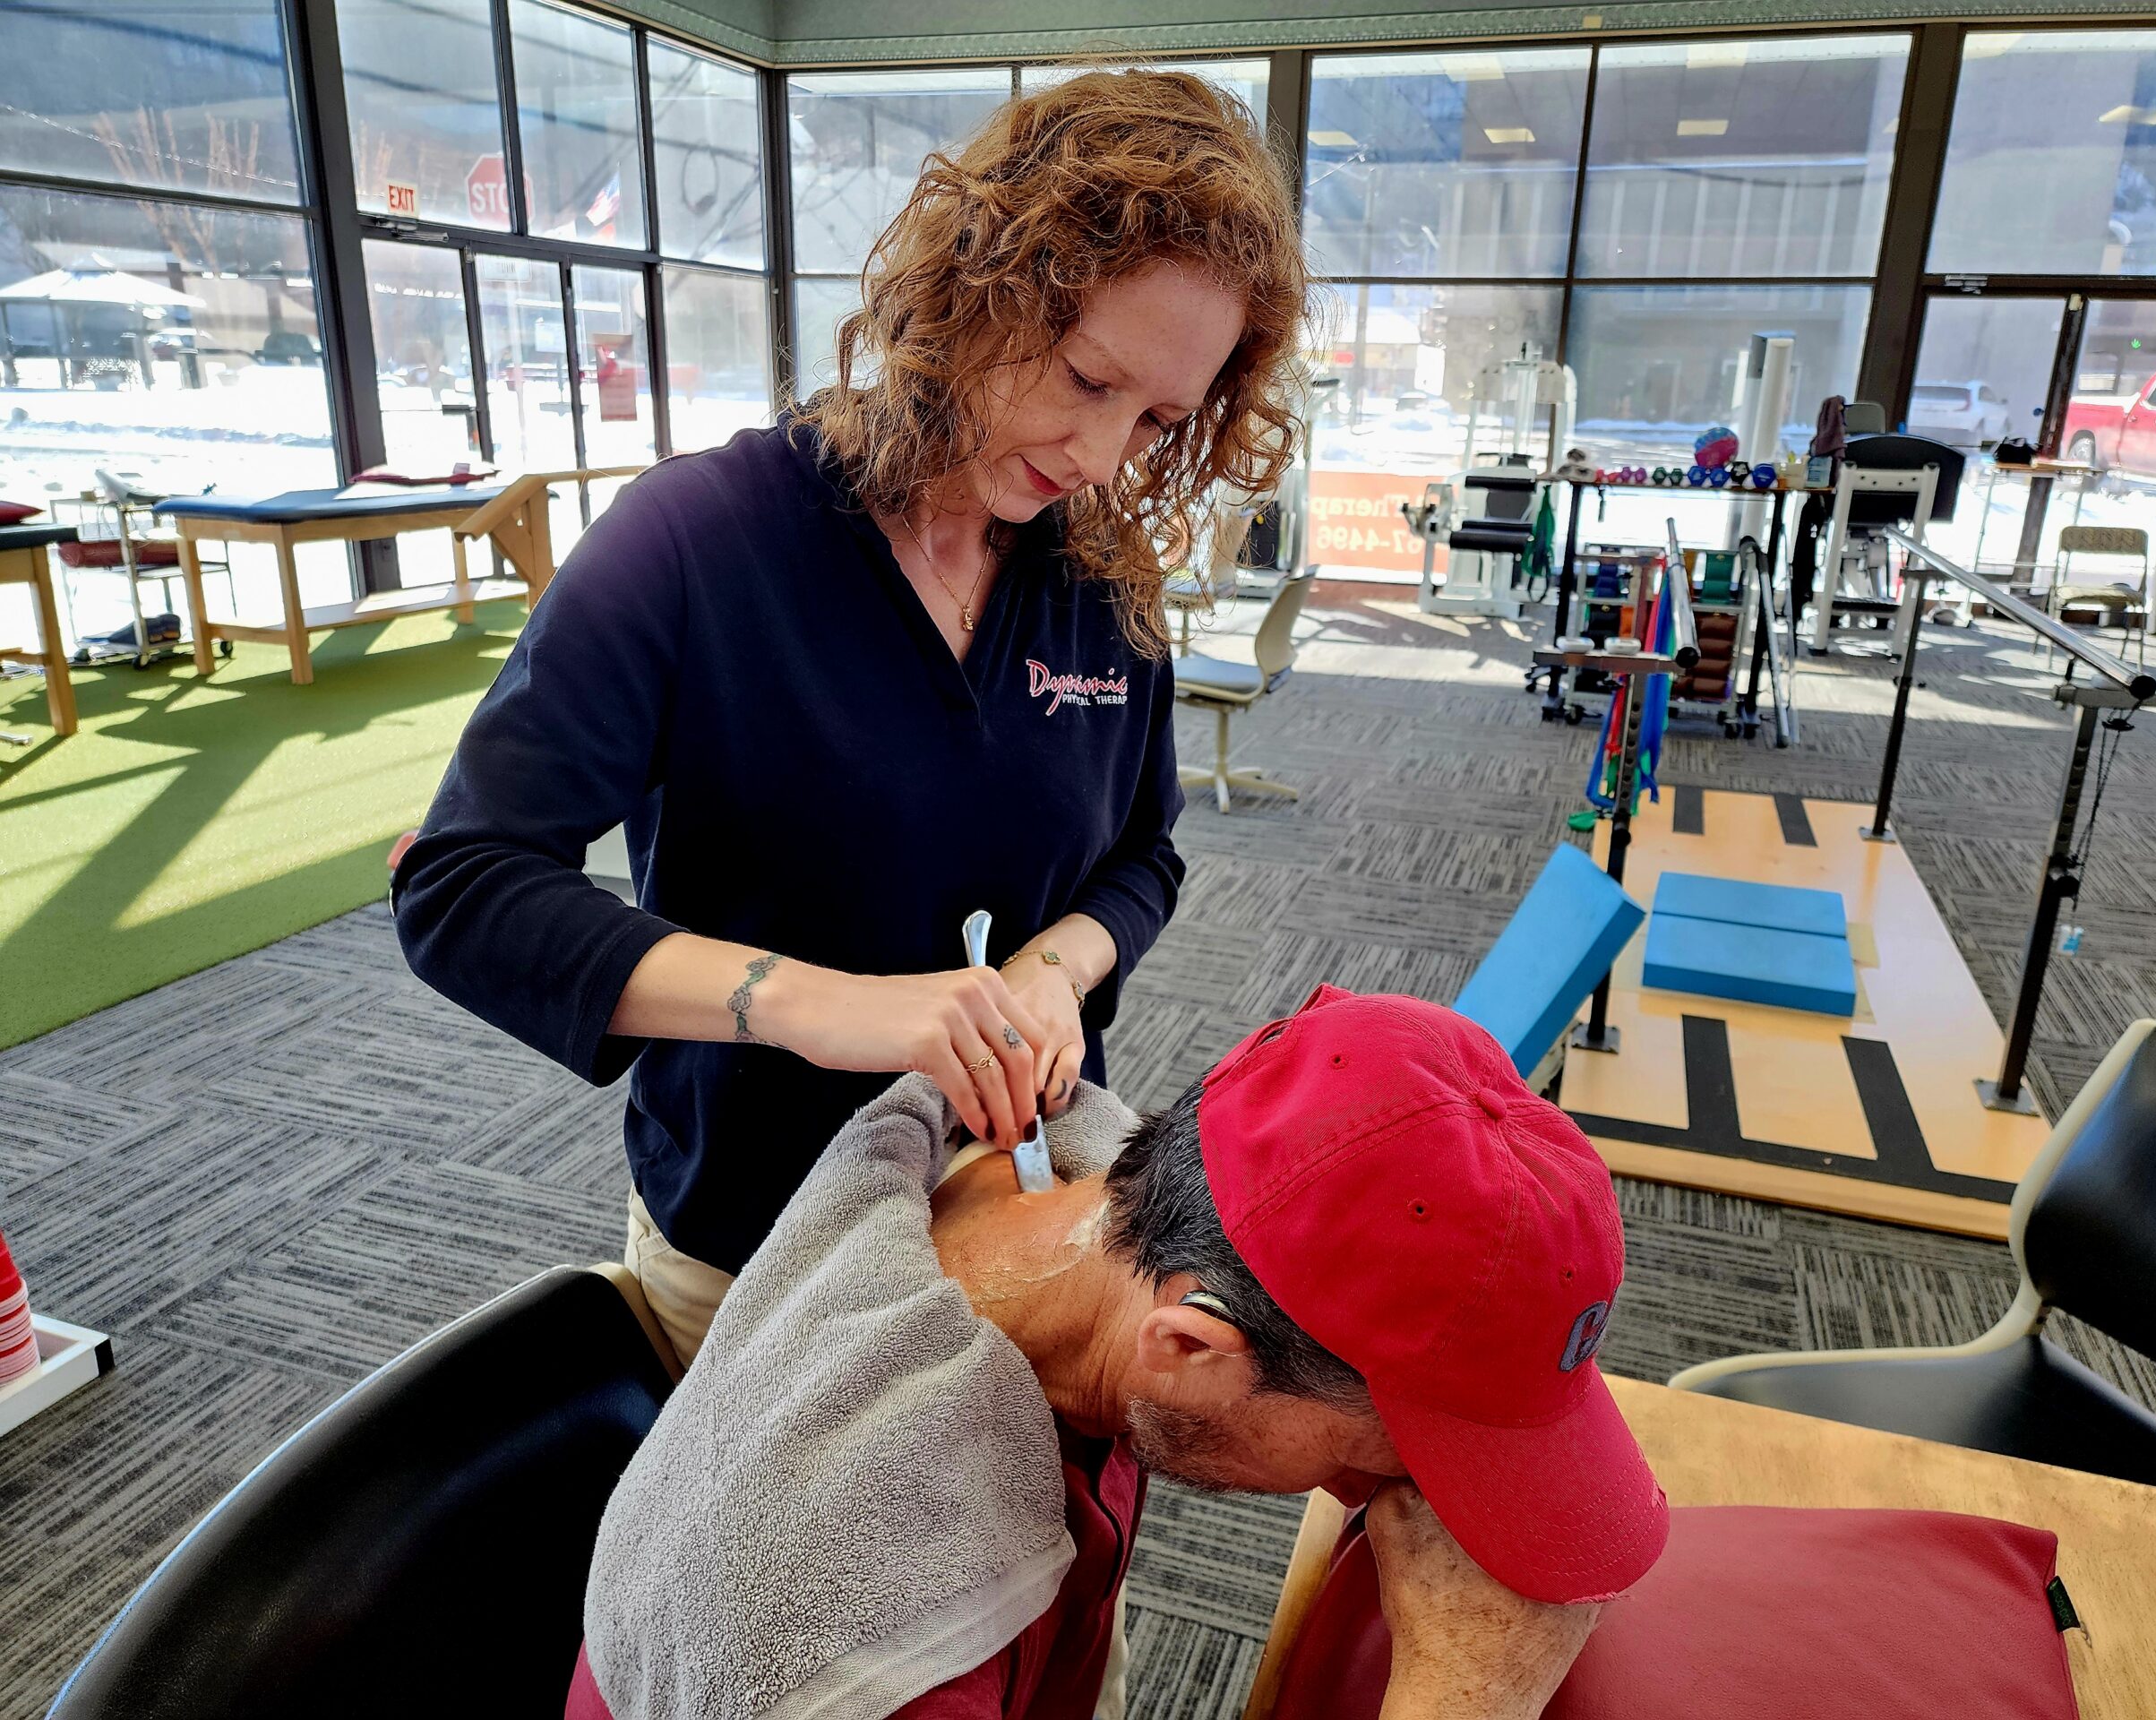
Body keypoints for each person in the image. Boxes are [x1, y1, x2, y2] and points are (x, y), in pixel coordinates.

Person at [392, 70, 1307, 1365]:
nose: (1104, 459)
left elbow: (1143, 859)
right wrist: (821, 1007)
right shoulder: (698, 539)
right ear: (980, 285)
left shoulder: (1101, 579)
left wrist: (1054, 969)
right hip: (758, 1255)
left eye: (1157, 419)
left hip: (1024, 1230)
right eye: (1086, 378)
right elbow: (463, 889)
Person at [569, 988, 1670, 1720]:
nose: (1371, 1498)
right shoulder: (868, 1652)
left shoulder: (1089, 1191)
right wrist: (1459, 1700)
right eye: (1378, 1456)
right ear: (1188, 1345)